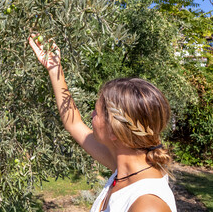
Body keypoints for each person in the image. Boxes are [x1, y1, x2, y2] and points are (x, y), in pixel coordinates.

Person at [28, 34, 177, 212]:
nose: (91, 115)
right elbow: (74, 123)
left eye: (96, 112)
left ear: (115, 131)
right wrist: (55, 69)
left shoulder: (148, 205)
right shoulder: (124, 168)